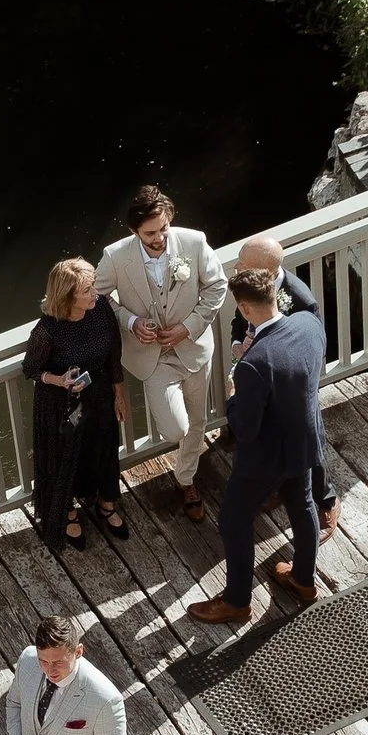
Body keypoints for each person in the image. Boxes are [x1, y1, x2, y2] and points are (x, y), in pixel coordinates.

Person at [188, 237, 332, 626]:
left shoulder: (254, 363)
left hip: (265, 457)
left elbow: (245, 428)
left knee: (234, 519)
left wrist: (234, 393)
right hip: (303, 439)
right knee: (302, 505)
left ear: (245, 308)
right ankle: (303, 580)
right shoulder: (308, 323)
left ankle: (236, 602)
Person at [98, 184, 230, 521]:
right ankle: (184, 455)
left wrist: (189, 326)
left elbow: (217, 286)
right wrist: (129, 321)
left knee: (198, 419)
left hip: (193, 347)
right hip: (152, 357)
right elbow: (97, 298)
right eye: (150, 233)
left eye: (164, 228)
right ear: (134, 230)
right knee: (176, 429)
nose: (159, 238)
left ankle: (186, 480)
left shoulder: (194, 242)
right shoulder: (115, 256)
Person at [22, 256, 127, 550]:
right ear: (68, 296)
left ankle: (106, 503)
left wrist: (119, 393)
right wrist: (60, 380)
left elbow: (113, 354)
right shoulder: (47, 330)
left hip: (100, 394)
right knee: (67, 456)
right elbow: (30, 369)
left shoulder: (102, 308)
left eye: (93, 286)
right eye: (86, 290)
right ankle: (67, 511)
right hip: (61, 403)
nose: (95, 293)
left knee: (103, 448)